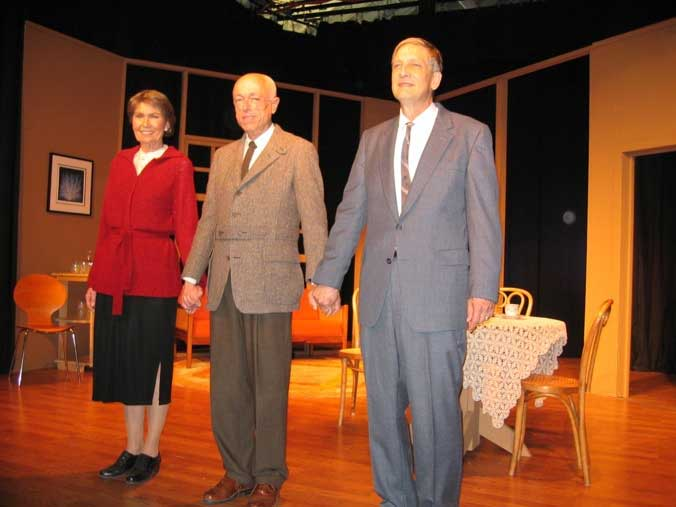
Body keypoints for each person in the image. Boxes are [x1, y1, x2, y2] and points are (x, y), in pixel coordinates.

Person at [310, 38, 502, 507]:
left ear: (436, 77)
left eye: (414, 64)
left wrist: (483, 287)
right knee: (383, 415)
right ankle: (394, 498)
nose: (403, 71)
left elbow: (484, 217)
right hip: (380, 300)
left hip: (437, 299)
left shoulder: (470, 134)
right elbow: (350, 211)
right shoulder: (373, 139)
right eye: (397, 64)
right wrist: (329, 277)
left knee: (436, 417)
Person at [179, 73, 328, 507]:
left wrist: (320, 278)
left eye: (254, 99)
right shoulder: (223, 156)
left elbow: (314, 218)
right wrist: (191, 277)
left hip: (271, 283)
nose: (245, 107)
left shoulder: (297, 151)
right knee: (227, 388)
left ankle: (268, 476)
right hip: (225, 284)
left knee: (269, 388)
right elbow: (209, 220)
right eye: (238, 100)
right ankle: (236, 472)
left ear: (273, 104)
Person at [86, 90, 199, 484]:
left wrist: (192, 279)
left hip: (155, 275)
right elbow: (106, 223)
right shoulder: (120, 161)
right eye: (138, 116)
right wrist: (96, 278)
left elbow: (187, 224)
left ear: (167, 124)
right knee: (127, 363)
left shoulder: (179, 165)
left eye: (153, 116)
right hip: (116, 272)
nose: (145, 123)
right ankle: (131, 447)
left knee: (152, 364)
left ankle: (151, 450)